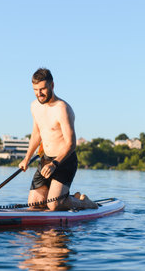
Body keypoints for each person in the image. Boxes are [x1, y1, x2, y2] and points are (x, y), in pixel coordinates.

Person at [19, 68, 98, 211]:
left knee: (53, 204)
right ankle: (67, 197)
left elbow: (71, 144)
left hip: (64, 161)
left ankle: (84, 202)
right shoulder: (34, 106)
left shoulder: (63, 108)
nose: (39, 94)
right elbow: (36, 133)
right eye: (35, 90)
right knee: (34, 204)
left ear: (52, 86)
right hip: (45, 160)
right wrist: (27, 158)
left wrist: (55, 164)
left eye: (42, 89)